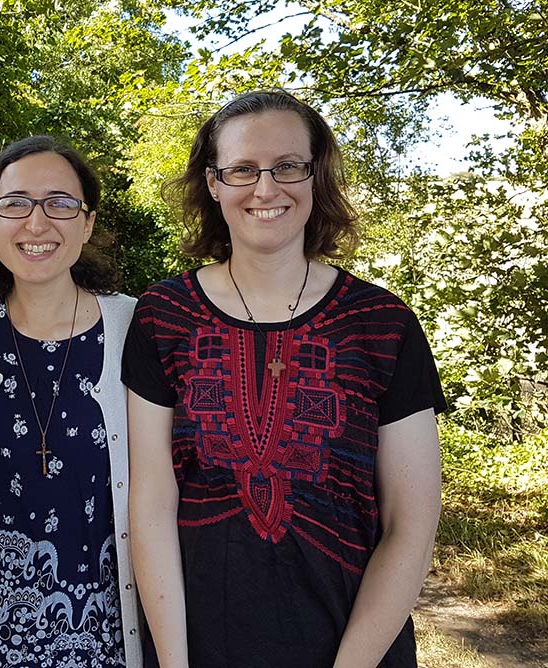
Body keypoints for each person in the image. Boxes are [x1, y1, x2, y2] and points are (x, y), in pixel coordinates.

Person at [123, 90, 446, 667]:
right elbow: (151, 506)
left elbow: (411, 525)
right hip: (198, 647)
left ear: (316, 177)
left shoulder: (382, 324)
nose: (266, 188)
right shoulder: (162, 316)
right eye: (243, 169)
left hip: (356, 650)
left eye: (288, 166)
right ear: (214, 183)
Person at [0, 136, 143, 668]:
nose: (36, 223)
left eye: (60, 203)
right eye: (15, 204)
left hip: (89, 636)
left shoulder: (135, 325)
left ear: (86, 224)